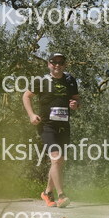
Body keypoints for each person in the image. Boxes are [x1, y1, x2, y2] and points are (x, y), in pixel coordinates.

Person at [23, 54, 81, 208]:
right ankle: (61, 195)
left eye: (61, 62)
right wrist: (31, 115)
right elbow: (26, 96)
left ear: (65, 64)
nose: (57, 65)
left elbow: (76, 98)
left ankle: (47, 192)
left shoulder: (70, 80)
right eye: (54, 62)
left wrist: (76, 104)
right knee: (56, 159)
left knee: (59, 161)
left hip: (64, 125)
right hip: (46, 126)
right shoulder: (41, 80)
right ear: (48, 64)